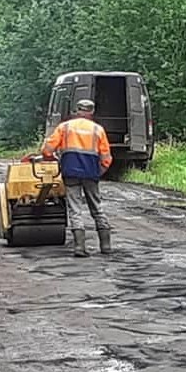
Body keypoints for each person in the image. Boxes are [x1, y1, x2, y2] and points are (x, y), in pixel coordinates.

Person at [41, 99, 113, 257]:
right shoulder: (98, 130)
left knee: (75, 210)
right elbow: (107, 158)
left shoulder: (64, 127)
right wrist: (98, 172)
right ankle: (106, 246)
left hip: (70, 173)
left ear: (77, 110)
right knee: (97, 208)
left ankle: (79, 247)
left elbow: (47, 150)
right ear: (91, 112)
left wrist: (54, 160)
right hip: (91, 174)